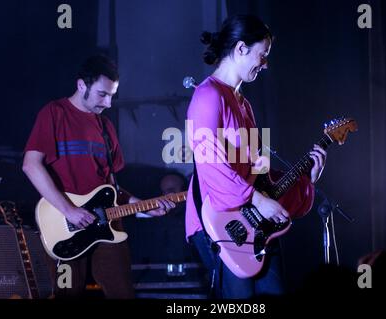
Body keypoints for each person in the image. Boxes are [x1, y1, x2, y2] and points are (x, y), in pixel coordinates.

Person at [185, 14, 327, 299]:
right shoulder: (207, 96)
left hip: (254, 219)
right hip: (218, 222)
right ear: (240, 49)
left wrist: (305, 181)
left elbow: (258, 174)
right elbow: (210, 165)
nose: (265, 64)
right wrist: (257, 199)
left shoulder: (244, 105)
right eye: (262, 56)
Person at [22, 55, 175, 298]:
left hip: (108, 227)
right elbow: (31, 165)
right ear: (82, 85)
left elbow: (112, 189)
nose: (109, 103)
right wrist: (69, 210)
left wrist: (145, 208)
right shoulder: (54, 113)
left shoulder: (106, 128)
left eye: (112, 95)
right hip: (65, 226)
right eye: (102, 94)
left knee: (123, 294)